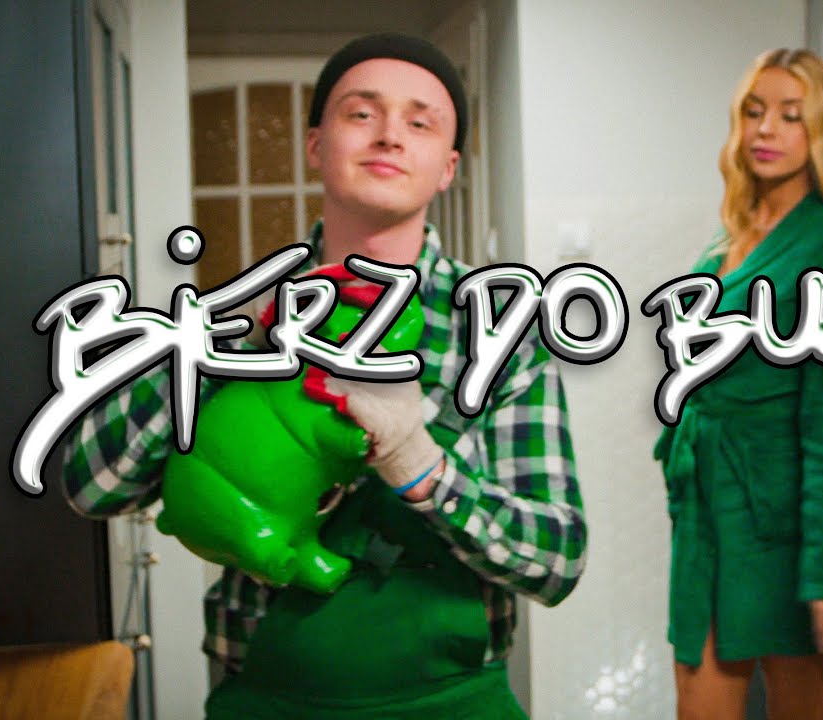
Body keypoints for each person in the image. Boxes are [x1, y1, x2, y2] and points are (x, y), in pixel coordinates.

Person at [62, 33, 586, 719]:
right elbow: (92, 486)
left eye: (420, 123)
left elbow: (555, 562)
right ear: (316, 145)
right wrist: (227, 335)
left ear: (448, 167)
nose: (389, 135)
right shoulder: (236, 318)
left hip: (457, 704)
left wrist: (422, 467)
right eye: (361, 113)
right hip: (267, 703)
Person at [654, 48, 823, 720]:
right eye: (754, 111)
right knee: (695, 700)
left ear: (822, 131)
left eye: (791, 115)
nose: (766, 129)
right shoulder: (732, 233)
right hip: (709, 513)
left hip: (782, 524)